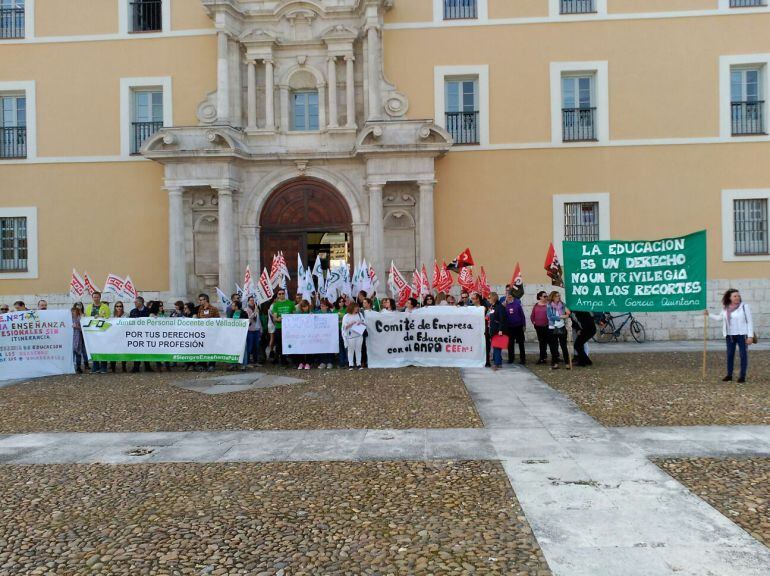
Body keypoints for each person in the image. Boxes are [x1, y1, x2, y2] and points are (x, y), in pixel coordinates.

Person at [706, 289, 754, 383]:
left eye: (738, 296)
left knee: (743, 355)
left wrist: (750, 336)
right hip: (730, 335)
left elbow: (749, 321)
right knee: (730, 355)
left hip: (742, 335)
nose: (737, 298)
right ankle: (729, 375)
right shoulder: (725, 307)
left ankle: (742, 376)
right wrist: (709, 314)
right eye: (735, 296)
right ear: (730, 298)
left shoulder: (744, 307)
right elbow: (719, 318)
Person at [85, 291, 110, 374]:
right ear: (92, 298)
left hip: (103, 331)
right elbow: (86, 318)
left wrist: (101, 317)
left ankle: (103, 367)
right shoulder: (88, 307)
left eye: (97, 297)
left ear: (100, 297)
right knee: (94, 348)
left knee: (103, 348)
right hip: (92, 332)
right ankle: (95, 366)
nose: (96, 298)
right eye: (94, 297)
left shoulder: (105, 307)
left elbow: (108, 317)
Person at [270, 288, 296, 367]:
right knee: (279, 345)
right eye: (279, 294)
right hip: (279, 327)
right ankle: (280, 360)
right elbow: (274, 318)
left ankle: (288, 359)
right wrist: (278, 319)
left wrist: (290, 318)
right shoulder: (276, 304)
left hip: (288, 328)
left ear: (285, 294)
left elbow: (294, 315)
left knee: (289, 343)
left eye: (282, 293)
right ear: (277, 295)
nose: (281, 295)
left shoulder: (291, 303)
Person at [547, 291, 571, 370]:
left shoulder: (563, 304)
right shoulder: (549, 306)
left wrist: (567, 312)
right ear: (553, 297)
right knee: (554, 347)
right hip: (552, 328)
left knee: (564, 346)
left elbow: (568, 313)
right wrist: (561, 316)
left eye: (559, 295)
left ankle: (567, 363)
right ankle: (555, 363)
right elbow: (550, 317)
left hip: (561, 327)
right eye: (557, 296)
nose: (558, 297)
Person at [129, 296, 153, 373]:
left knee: (146, 350)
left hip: (146, 334)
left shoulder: (148, 311)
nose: (134, 303)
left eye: (136, 302)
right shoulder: (133, 311)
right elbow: (129, 322)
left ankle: (147, 366)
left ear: (141, 302)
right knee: (136, 350)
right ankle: (136, 367)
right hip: (136, 334)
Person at [196, 293, 220, 371]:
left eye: (201, 300)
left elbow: (217, 320)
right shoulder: (200, 309)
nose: (199, 301)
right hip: (202, 333)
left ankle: (211, 364)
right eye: (199, 300)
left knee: (212, 349)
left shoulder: (213, 309)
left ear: (205, 300)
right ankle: (202, 364)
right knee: (202, 348)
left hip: (211, 333)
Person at [342, 302, 365, 370]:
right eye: (356, 307)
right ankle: (351, 364)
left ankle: (359, 364)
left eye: (357, 307)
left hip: (359, 335)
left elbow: (364, 322)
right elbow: (344, 327)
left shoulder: (360, 314)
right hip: (350, 336)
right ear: (352, 307)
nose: (357, 308)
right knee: (350, 350)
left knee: (358, 350)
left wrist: (361, 322)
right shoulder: (346, 316)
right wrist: (351, 324)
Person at [504, 293, 526, 365]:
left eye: (510, 297)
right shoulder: (504, 305)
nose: (509, 298)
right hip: (509, 327)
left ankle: (523, 359)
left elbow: (522, 315)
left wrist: (524, 325)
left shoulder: (517, 304)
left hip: (518, 326)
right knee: (510, 344)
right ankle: (511, 359)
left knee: (521, 343)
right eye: (508, 297)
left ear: (513, 297)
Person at [487, 292, 506, 371]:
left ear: (493, 298)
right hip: (492, 329)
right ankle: (498, 361)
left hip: (498, 330)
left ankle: (497, 364)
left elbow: (502, 319)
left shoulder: (499, 307)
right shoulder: (492, 306)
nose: (488, 299)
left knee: (497, 347)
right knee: (495, 346)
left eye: (489, 298)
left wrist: (500, 330)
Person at [530, 291, 551, 365]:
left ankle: (555, 357)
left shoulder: (549, 305)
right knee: (542, 343)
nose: (546, 297)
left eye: (546, 296)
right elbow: (532, 315)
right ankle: (542, 357)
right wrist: (534, 322)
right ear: (540, 297)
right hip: (538, 327)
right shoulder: (536, 305)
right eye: (544, 296)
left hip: (548, 326)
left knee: (551, 342)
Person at [109, 301, 128, 373]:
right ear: (115, 307)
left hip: (123, 336)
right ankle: (113, 367)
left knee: (123, 351)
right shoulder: (111, 315)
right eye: (117, 306)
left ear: (122, 307)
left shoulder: (126, 315)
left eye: (120, 306)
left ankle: (124, 366)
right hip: (114, 336)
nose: (119, 307)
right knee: (113, 351)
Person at [316, 299, 336, 369]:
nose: (322, 307)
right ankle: (322, 362)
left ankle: (330, 362)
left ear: (327, 307)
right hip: (320, 334)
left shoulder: (331, 313)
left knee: (329, 347)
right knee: (321, 348)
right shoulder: (317, 313)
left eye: (323, 306)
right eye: (321, 306)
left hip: (329, 334)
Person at [245, 296, 261, 367]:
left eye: (253, 300)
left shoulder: (257, 309)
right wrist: (254, 312)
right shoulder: (246, 309)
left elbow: (258, 320)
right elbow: (248, 319)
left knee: (256, 346)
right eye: (251, 300)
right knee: (249, 346)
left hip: (256, 330)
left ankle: (255, 361)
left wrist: (261, 329)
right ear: (248, 301)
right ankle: (247, 362)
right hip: (250, 330)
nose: (252, 301)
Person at [71, 303, 87, 373]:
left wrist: (77, 327)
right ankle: (71, 367)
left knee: (78, 352)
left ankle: (78, 367)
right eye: (73, 311)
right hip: (70, 337)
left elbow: (84, 328)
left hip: (79, 337)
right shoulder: (69, 318)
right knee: (71, 353)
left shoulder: (82, 316)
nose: (74, 312)